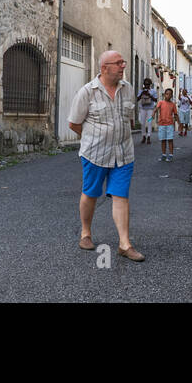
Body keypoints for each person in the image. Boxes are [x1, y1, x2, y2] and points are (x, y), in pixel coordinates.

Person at [67, 51, 144, 262]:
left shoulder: (128, 89)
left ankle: (124, 244)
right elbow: (74, 123)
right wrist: (93, 138)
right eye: (118, 63)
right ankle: (85, 233)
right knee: (91, 193)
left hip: (123, 153)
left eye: (123, 62)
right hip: (95, 154)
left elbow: (128, 119)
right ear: (104, 68)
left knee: (121, 196)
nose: (123, 66)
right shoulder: (87, 92)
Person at [156, 88, 178, 161]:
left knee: (170, 140)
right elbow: (156, 109)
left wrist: (179, 123)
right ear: (164, 95)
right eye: (167, 94)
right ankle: (164, 155)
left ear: (172, 96)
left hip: (170, 125)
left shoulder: (173, 104)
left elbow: (175, 114)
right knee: (163, 140)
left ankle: (171, 155)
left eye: (170, 94)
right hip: (162, 124)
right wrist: (153, 113)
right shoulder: (161, 102)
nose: (168, 95)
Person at [136, 78, 158, 144]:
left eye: (148, 84)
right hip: (142, 108)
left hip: (150, 109)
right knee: (142, 122)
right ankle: (143, 135)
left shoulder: (153, 91)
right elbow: (137, 99)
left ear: (150, 85)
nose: (147, 86)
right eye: (145, 84)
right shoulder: (141, 91)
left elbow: (156, 100)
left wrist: (149, 95)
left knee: (149, 122)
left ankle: (148, 136)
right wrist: (142, 93)